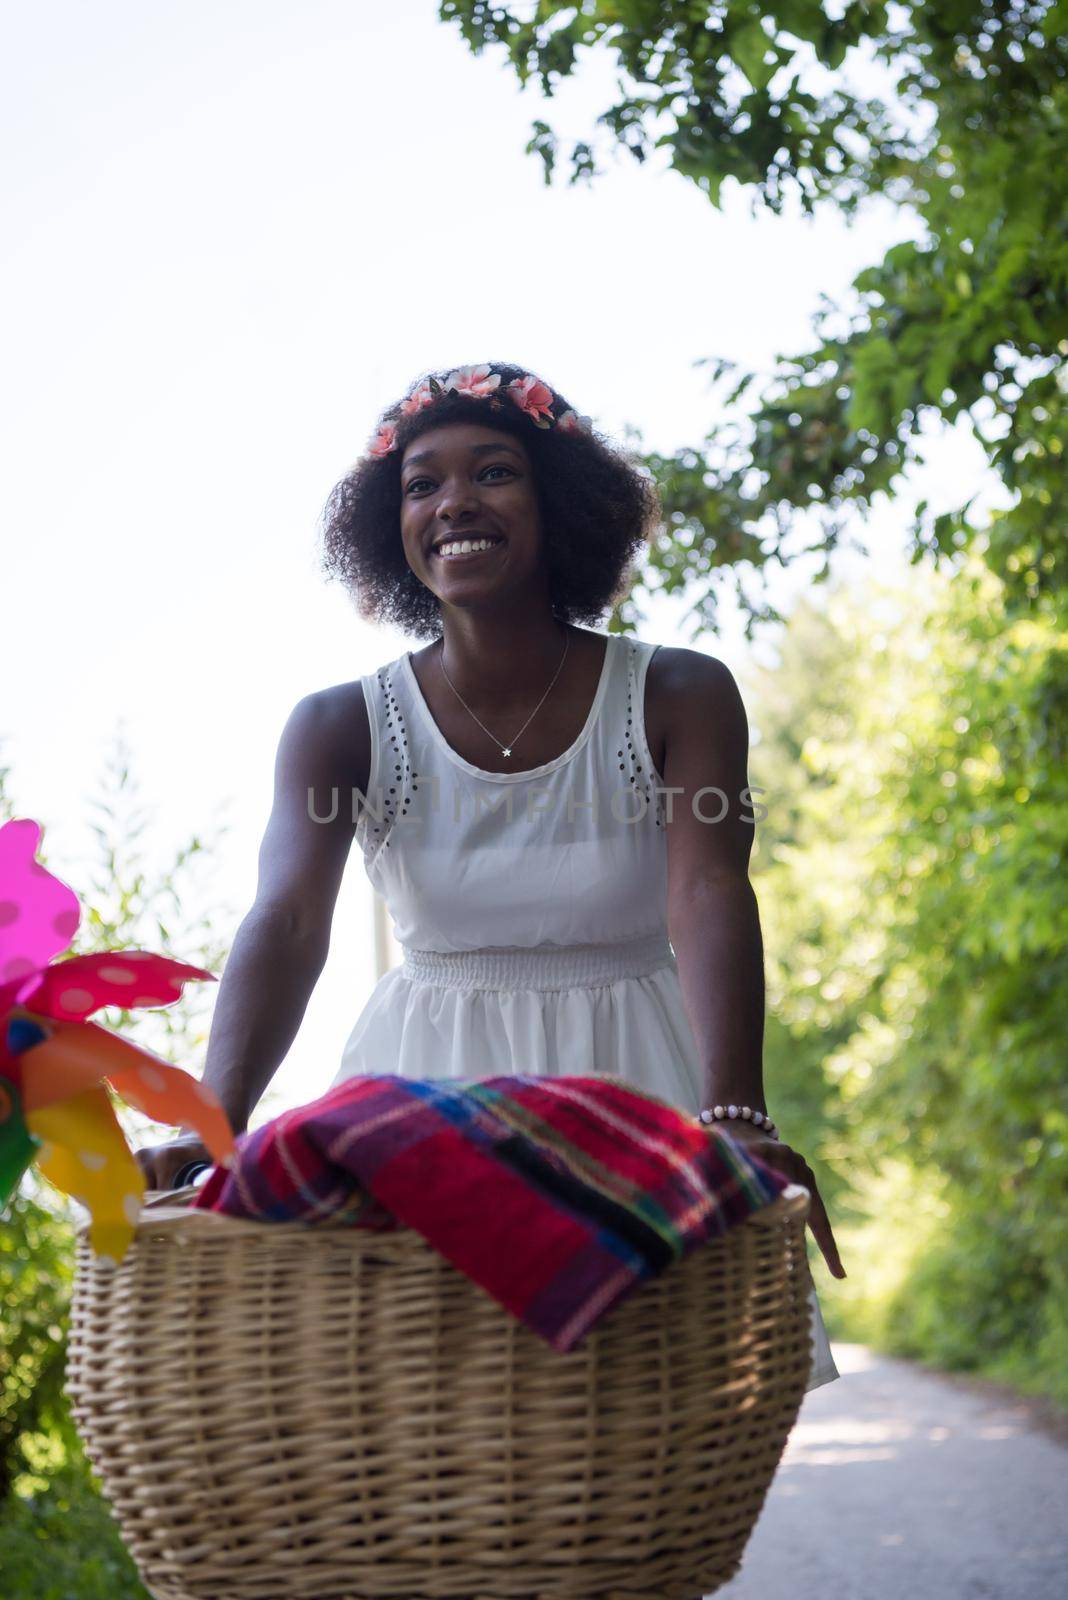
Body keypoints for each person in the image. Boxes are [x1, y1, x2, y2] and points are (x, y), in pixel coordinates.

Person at [137, 361, 843, 1390]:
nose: (454, 501)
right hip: (425, 1105)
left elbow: (708, 893)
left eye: (494, 472)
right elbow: (287, 922)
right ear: (393, 525)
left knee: (646, 1433)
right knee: (442, 1430)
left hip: (638, 1094)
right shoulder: (340, 726)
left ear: (559, 501)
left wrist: (736, 1115)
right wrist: (213, 1123)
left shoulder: (680, 693)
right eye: (422, 484)